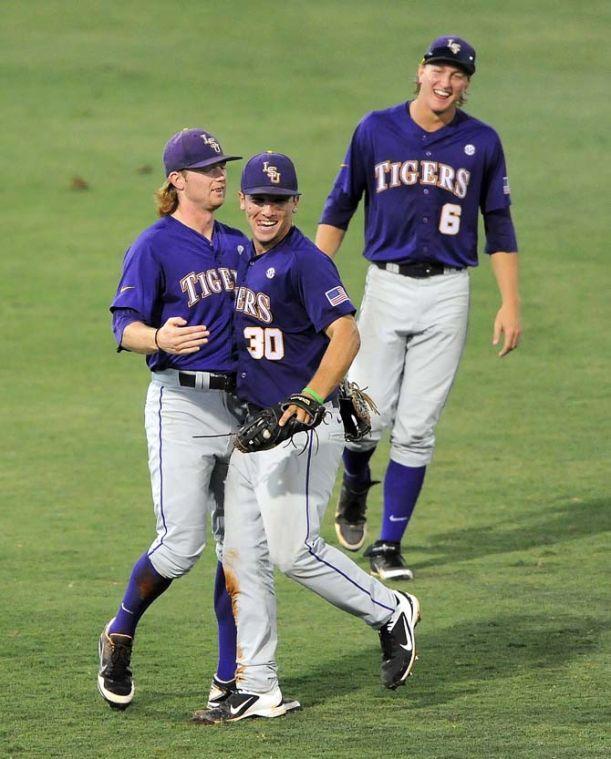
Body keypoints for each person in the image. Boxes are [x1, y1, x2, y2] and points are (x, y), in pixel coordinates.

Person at [191, 152, 420, 725]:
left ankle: (391, 609)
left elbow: (346, 334)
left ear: (295, 205)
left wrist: (311, 398)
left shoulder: (307, 262)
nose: (267, 209)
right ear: (243, 202)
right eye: (258, 199)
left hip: (305, 428)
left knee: (294, 554)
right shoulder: (243, 255)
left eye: (279, 200)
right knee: (242, 557)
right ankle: (257, 686)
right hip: (253, 429)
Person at [315, 35, 521, 580]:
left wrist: (510, 302)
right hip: (385, 287)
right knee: (364, 416)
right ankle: (356, 484)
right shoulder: (375, 130)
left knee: (417, 428)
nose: (446, 82)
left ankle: (389, 543)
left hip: (449, 292)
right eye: (439, 69)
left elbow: (498, 225)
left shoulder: (482, 142)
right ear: (420, 70)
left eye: (458, 75)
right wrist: (308, 284)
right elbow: (340, 206)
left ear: (467, 85)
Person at [97, 128, 249, 710]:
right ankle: (121, 632)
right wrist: (158, 336)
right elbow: (123, 325)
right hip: (180, 405)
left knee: (239, 549)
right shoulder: (154, 245)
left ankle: (227, 679)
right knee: (182, 546)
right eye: (207, 168)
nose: (219, 176)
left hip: (241, 412)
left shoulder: (239, 244)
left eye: (222, 167)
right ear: (177, 180)